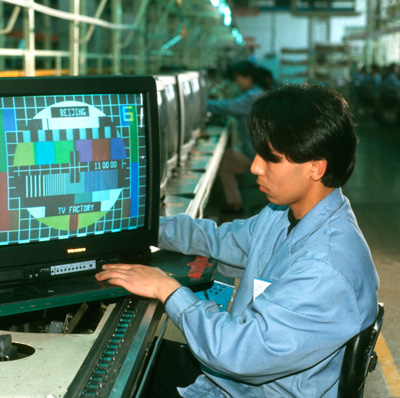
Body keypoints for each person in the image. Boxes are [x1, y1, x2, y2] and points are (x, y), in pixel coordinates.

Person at [96, 84, 379, 397]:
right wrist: (140, 227)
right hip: (233, 381)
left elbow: (238, 353)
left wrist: (166, 288)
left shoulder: (326, 267)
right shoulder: (284, 214)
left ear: (316, 167)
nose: (255, 166)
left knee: (111, 386)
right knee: (121, 364)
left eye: (271, 159)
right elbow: (218, 241)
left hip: (252, 386)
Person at [208, 61, 265, 214]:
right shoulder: (255, 93)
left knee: (221, 161)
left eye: (238, 78)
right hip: (254, 149)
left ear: (247, 77)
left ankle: (234, 204)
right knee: (224, 162)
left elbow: (226, 107)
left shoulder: (252, 97)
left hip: (254, 153)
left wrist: (201, 104)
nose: (237, 82)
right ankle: (234, 202)